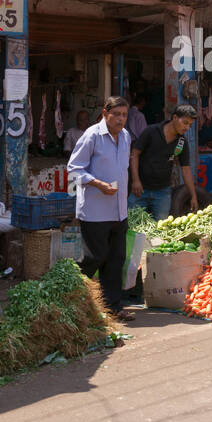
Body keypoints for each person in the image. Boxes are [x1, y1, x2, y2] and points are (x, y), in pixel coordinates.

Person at [67, 96, 133, 320]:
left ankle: (113, 307)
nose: (121, 119)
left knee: (116, 259)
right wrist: (97, 183)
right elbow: (74, 169)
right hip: (95, 211)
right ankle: (73, 300)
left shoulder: (125, 137)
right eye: (117, 115)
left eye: (124, 115)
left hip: (119, 210)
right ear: (105, 113)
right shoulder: (92, 135)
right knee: (94, 258)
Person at [129, 104, 197, 221]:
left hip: (162, 193)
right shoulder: (151, 131)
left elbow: (185, 170)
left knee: (159, 230)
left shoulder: (181, 142)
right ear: (175, 117)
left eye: (190, 125)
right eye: (185, 123)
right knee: (132, 227)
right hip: (140, 190)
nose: (187, 128)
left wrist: (193, 195)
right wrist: (135, 180)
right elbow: (134, 154)